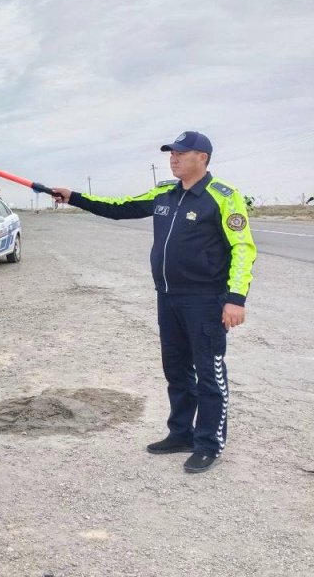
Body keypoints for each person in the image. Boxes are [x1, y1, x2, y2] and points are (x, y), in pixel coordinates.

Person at [51, 131, 257, 474]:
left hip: (205, 299)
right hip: (168, 297)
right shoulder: (164, 192)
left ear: (202, 158)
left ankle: (209, 443)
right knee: (176, 370)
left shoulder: (224, 196)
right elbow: (120, 208)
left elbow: (243, 248)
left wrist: (235, 299)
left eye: (180, 153)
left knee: (209, 374)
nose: (173, 158)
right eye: (171, 153)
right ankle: (181, 434)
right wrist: (74, 196)